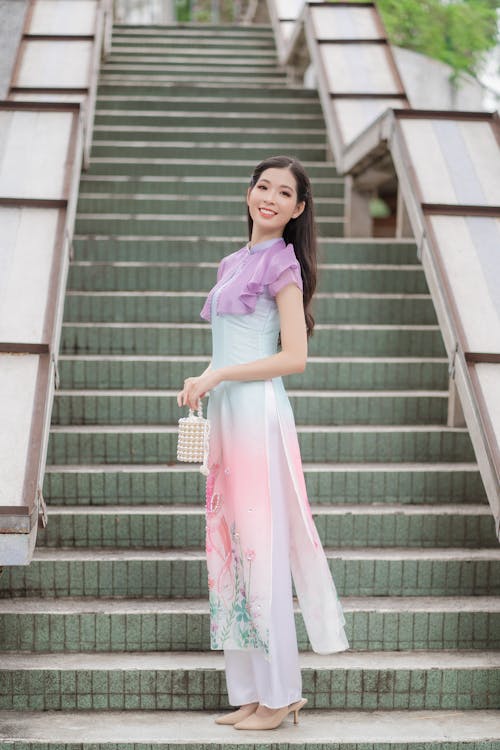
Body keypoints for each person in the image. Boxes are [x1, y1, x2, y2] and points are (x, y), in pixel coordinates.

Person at [176, 155, 349, 731]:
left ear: (298, 209)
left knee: (260, 553)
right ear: (249, 192)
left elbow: (293, 358)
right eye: (263, 186)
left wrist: (222, 376)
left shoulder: (283, 266)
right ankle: (249, 692)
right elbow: (231, 350)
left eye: (284, 193)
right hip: (228, 413)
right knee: (227, 552)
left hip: (258, 417)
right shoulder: (233, 263)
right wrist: (205, 376)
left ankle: (282, 696)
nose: (269, 198)